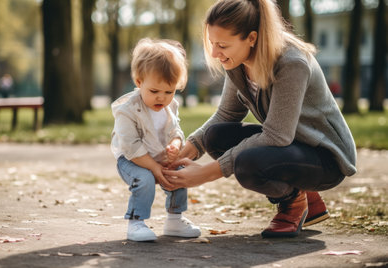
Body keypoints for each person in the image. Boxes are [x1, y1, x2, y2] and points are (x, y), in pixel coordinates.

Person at [162, 0, 357, 238]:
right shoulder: (237, 61)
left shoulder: (291, 63)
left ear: (252, 38)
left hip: (325, 157)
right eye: (212, 43)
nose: (214, 53)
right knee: (215, 137)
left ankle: (293, 202)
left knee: (247, 163)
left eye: (222, 45)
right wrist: (185, 152)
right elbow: (226, 114)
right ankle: (305, 195)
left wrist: (205, 174)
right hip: (290, 146)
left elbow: (276, 135)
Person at [111, 38, 201, 242]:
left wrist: (175, 145)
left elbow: (176, 131)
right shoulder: (127, 110)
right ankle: (136, 222)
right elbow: (131, 146)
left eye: (169, 92)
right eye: (154, 91)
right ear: (139, 82)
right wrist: (153, 168)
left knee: (179, 174)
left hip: (157, 156)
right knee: (145, 179)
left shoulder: (171, 106)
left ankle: (175, 220)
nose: (162, 97)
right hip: (132, 159)